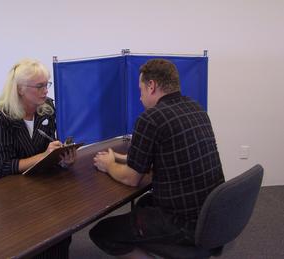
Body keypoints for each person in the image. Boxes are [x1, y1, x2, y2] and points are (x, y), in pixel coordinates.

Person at [90, 59, 225, 259]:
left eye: (141, 90)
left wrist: (109, 165)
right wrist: (119, 156)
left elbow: (131, 178)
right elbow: (165, 152)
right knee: (145, 203)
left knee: (102, 232)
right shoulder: (195, 108)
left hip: (184, 223)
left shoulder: (151, 118)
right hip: (210, 214)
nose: (139, 97)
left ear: (151, 86)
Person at [0, 58, 75, 259]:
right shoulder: (1, 116)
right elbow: (3, 165)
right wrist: (44, 156)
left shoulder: (48, 108)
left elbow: (51, 146)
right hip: (1, 185)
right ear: (20, 89)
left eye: (47, 84)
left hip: (33, 181)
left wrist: (62, 158)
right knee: (30, 233)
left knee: (61, 229)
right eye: (39, 86)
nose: (45, 90)